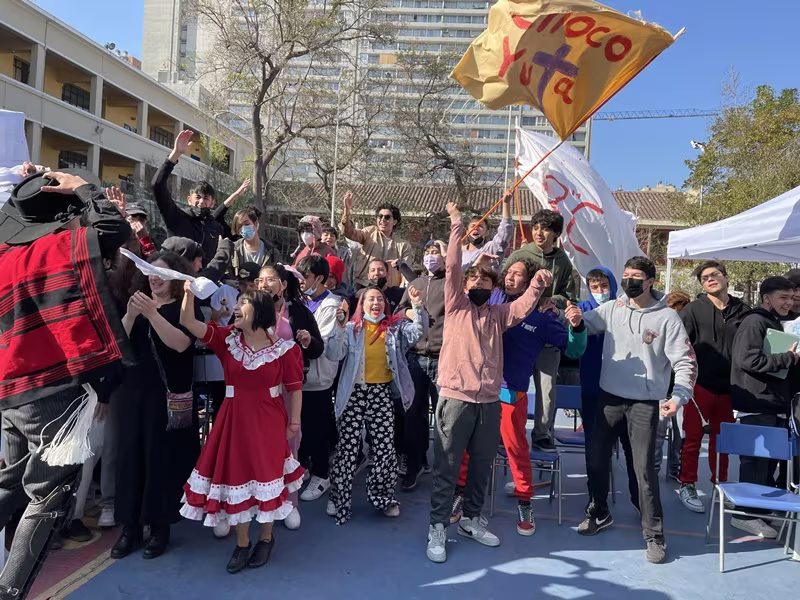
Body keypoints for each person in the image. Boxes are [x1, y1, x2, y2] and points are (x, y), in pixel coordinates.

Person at [0, 170, 132, 596]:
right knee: (49, 495)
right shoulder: (58, 249)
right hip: (53, 391)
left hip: (10, 390)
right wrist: (83, 188)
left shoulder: (4, 256)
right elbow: (115, 229)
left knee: (10, 483)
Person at [426, 202, 549, 564]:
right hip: (455, 399)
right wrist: (456, 224)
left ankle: (471, 520)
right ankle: (437, 527)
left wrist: (538, 283)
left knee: (481, 468)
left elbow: (523, 306)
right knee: (447, 467)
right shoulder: (456, 306)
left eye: (485, 281)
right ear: (464, 286)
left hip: (490, 402)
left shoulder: (499, 313)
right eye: (474, 280)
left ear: (493, 287)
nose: (479, 284)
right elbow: (452, 266)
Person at [179, 285, 305, 574]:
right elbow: (188, 322)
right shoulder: (227, 340)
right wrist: (188, 293)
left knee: (268, 479)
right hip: (233, 419)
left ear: (259, 311)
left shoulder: (285, 349)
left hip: (269, 421)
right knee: (237, 479)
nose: (235, 308)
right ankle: (242, 543)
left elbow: (295, 389)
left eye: (243, 303)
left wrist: (294, 422)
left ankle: (266, 539)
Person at [578, 256, 696, 565]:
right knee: (596, 460)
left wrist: (679, 396)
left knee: (643, 470)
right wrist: (570, 316)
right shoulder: (612, 308)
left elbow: (685, 361)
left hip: (645, 403)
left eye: (636, 277)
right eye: (626, 275)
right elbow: (583, 325)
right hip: (608, 399)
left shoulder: (667, 318)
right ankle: (599, 511)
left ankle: (654, 534)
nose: (629, 281)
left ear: (651, 281)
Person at [112, 251, 203, 561]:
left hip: (166, 398)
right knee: (130, 459)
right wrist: (131, 315)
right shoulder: (135, 303)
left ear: (175, 277)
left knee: (160, 461)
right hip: (132, 394)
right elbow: (118, 346)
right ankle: (130, 528)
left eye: (162, 273)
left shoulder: (185, 306)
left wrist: (153, 314)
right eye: (151, 271)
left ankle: (159, 528)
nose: (154, 278)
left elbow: (180, 344)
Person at [491, 258, 587, 536]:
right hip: (480, 392)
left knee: (516, 451)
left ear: (530, 281)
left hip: (511, 394)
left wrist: (577, 326)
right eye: (508, 272)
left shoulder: (542, 316)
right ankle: (462, 497)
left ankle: (525, 502)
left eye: (517, 274)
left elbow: (573, 350)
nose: (509, 277)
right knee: (469, 449)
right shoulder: (493, 300)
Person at [324, 285, 427, 524]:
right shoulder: (351, 329)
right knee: (347, 450)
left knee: (384, 449)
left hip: (381, 394)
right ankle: (338, 498)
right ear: (362, 305)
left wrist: (417, 305)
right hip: (354, 394)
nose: (375, 303)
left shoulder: (393, 330)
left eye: (379, 299)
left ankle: (383, 497)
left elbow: (418, 332)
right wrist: (339, 326)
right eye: (370, 299)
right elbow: (333, 353)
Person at [253, 264, 323, 530]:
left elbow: (317, 348)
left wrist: (307, 341)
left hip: (287, 391)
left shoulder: (299, 312)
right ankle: (256, 500)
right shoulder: (249, 310)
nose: (263, 284)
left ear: (283, 285)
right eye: (260, 280)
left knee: (289, 445)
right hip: (256, 393)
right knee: (257, 446)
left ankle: (289, 502)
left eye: (270, 279)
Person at [729, 276, 798, 539]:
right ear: (766, 298)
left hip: (772, 404)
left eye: (791, 297)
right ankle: (744, 515)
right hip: (757, 404)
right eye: (783, 297)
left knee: (767, 464)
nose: (789, 302)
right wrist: (788, 358)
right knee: (755, 463)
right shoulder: (754, 322)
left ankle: (758, 511)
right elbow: (747, 359)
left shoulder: (773, 322)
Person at [677, 263, 749, 514]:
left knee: (723, 442)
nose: (710, 279)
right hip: (700, 386)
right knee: (692, 439)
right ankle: (687, 484)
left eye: (714, 274)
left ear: (725, 278)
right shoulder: (692, 310)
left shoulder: (744, 311)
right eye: (704, 277)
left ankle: (721, 485)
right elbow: (679, 345)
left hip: (731, 388)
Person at [505, 209, 576, 453]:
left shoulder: (563, 261)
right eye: (535, 227)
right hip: (519, 333)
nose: (539, 233)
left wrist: (554, 300)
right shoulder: (520, 254)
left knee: (547, 388)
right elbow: (505, 284)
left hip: (546, 334)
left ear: (555, 234)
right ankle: (506, 430)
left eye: (545, 229)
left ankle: (542, 434)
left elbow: (569, 295)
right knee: (510, 385)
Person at [577, 267, 638, 511]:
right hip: (593, 390)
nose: (600, 291)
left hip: (625, 391)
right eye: (594, 287)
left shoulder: (626, 310)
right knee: (594, 448)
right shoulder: (583, 309)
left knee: (632, 447)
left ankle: (640, 499)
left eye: (604, 286)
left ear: (613, 286)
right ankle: (595, 499)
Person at [394, 240, 447, 490]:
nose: (431, 256)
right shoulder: (414, 283)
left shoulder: (451, 283)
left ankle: (445, 471)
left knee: (444, 418)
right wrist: (412, 312)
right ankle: (414, 465)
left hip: (443, 358)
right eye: (427, 252)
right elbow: (398, 312)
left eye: (436, 252)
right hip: (415, 358)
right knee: (413, 415)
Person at [151, 129, 248, 265]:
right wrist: (175, 154)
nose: (201, 202)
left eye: (206, 198)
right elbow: (157, 185)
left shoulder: (215, 227)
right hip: (175, 274)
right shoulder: (176, 217)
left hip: (204, 276)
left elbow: (220, 212)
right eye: (198, 197)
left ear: (212, 203)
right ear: (189, 199)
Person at [653, 291, 691, 481]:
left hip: (678, 389)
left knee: (679, 432)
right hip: (660, 388)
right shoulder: (659, 326)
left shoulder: (687, 331)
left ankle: (673, 468)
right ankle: (656, 469)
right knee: (660, 432)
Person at [339, 190, 412, 289]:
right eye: (380, 216)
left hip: (390, 288)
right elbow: (349, 232)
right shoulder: (369, 232)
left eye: (387, 217)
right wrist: (346, 210)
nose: (382, 220)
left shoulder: (403, 245)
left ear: (395, 221)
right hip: (365, 285)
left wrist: (403, 289)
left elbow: (406, 270)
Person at [461, 191, 513, 272]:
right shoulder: (458, 253)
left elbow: (505, 233)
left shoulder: (489, 249)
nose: (476, 228)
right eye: (473, 226)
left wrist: (506, 203)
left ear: (487, 232)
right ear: (467, 232)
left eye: (480, 226)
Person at [230, 206, 281, 273]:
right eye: (240, 226)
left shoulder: (272, 252)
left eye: (247, 224)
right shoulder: (232, 249)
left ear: (256, 223)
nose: (243, 228)